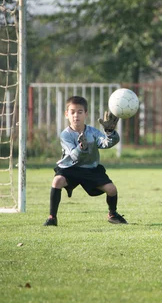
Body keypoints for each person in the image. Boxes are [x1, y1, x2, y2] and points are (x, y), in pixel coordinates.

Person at [43, 95, 128, 226]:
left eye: (80, 112)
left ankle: (112, 214)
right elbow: (73, 156)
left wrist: (110, 132)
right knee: (57, 181)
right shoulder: (65, 135)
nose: (76, 115)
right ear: (66, 114)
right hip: (70, 168)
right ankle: (52, 218)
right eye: (72, 112)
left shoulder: (93, 132)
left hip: (91, 169)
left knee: (112, 190)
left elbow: (106, 143)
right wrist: (81, 147)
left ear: (86, 114)